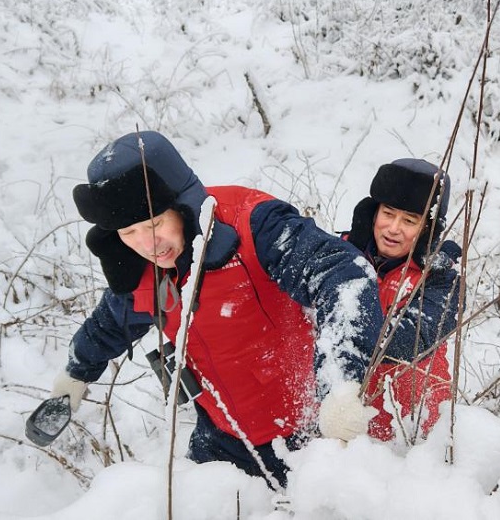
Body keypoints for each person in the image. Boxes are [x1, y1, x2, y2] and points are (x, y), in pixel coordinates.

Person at [50, 130, 383, 489]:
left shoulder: (256, 226)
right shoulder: (141, 265)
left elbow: (344, 275)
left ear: (183, 205)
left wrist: (340, 383)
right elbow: (112, 320)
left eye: (154, 224)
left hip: (305, 435)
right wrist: (76, 373)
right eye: (128, 231)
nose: (147, 244)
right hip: (220, 435)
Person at [344, 158, 463, 442]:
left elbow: (410, 338)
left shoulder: (442, 279)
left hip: (414, 435)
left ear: (427, 228)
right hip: (347, 427)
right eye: (388, 213)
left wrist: (341, 328)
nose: (393, 228)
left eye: (409, 221)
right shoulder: (339, 256)